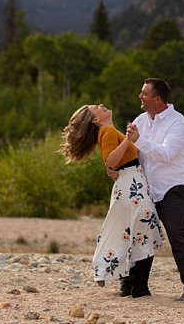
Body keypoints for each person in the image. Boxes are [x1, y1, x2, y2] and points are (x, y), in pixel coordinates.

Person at [60, 103, 163, 298]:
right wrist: (128, 141)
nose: (101, 105)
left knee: (135, 234)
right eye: (96, 107)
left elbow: (114, 161)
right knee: (145, 232)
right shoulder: (106, 130)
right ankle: (139, 287)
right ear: (96, 120)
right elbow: (111, 161)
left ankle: (129, 286)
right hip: (131, 188)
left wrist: (127, 141)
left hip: (130, 185)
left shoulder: (110, 130)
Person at [122, 78, 184, 302]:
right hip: (147, 188)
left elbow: (166, 154)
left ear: (157, 99)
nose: (140, 96)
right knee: (141, 235)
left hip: (174, 187)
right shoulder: (141, 120)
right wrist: (116, 169)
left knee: (177, 235)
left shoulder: (179, 123)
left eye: (144, 93)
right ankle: (134, 286)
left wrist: (139, 140)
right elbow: (133, 153)